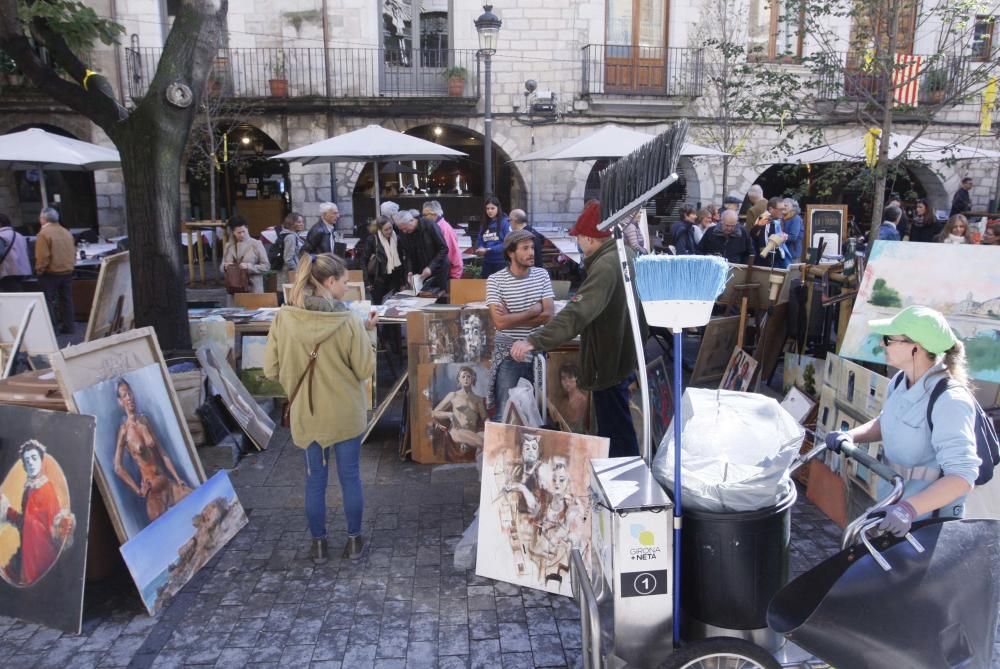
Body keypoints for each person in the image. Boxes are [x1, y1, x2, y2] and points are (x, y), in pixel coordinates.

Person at [825, 305, 980, 535]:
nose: (881, 344)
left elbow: (963, 477)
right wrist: (850, 436)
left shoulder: (950, 401)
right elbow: (887, 422)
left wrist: (909, 509)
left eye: (888, 339)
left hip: (926, 525)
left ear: (915, 348)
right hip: (895, 508)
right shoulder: (900, 381)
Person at [264, 253, 377, 563]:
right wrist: (368, 334)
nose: (346, 287)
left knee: (315, 480)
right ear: (329, 282)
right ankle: (353, 541)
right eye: (344, 282)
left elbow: (271, 370)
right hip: (345, 413)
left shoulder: (284, 319)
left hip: (307, 413)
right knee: (350, 477)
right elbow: (365, 369)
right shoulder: (349, 321)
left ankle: (318, 545)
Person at [511, 200, 646, 458]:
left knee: (616, 427)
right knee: (615, 423)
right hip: (621, 352)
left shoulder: (607, 265)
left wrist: (534, 340)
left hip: (611, 357)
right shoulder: (623, 253)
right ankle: (621, 474)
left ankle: (624, 480)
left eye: (579, 238)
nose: (578, 244)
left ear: (589, 238)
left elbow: (578, 312)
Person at [486, 229, 554, 417]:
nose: (531, 252)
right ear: (510, 252)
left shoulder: (541, 275)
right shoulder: (496, 280)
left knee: (539, 411)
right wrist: (533, 311)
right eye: (525, 248)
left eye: (532, 247)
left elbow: (548, 314)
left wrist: (512, 317)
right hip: (509, 352)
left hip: (536, 348)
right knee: (504, 411)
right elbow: (499, 323)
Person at [113, 379, 193, 522]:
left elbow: (162, 452)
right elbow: (118, 467)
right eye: (125, 395)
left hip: (167, 483)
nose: (129, 398)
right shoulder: (124, 432)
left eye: (130, 393)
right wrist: (138, 490)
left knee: (196, 499)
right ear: (120, 401)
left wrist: (177, 478)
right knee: (164, 530)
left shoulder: (144, 420)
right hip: (154, 492)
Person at [0, 440, 75, 586]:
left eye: (34, 458)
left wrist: (62, 526)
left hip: (40, 554)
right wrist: (7, 510)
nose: (31, 463)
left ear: (41, 460)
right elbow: (25, 523)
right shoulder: (29, 488)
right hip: (27, 552)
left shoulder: (47, 489)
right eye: (27, 460)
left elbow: (49, 528)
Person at [431, 366, 488, 460]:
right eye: (463, 376)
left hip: (473, 431)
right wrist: (449, 414)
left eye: (469, 376)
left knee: (489, 439)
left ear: (473, 379)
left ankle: (479, 464)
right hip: (458, 431)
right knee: (481, 442)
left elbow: (485, 417)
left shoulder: (478, 399)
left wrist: (492, 427)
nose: (466, 379)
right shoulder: (453, 395)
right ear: (459, 379)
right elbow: (434, 412)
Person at [34, 207, 76, 334]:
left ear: (43, 219)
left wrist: (39, 270)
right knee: (67, 300)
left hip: (51, 273)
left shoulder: (43, 234)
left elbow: (43, 256)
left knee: (49, 301)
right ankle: (69, 326)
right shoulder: (66, 232)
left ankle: (53, 328)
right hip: (67, 271)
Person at [394, 209, 449, 293]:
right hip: (420, 272)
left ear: (412, 220)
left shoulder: (430, 225)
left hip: (438, 269)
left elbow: (443, 248)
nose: (404, 232)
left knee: (437, 296)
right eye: (402, 230)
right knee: (421, 297)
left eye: (405, 228)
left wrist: (431, 267)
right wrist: (409, 271)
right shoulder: (404, 233)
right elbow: (407, 254)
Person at [221, 216, 269, 298]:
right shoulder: (228, 246)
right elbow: (222, 267)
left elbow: (266, 266)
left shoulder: (256, 244)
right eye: (238, 232)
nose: (242, 234)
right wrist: (226, 267)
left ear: (247, 229)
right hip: (234, 288)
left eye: (244, 231)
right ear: (233, 232)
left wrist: (249, 267)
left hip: (253, 287)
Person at [364, 215, 405, 304]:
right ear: (379, 230)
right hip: (378, 279)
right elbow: (363, 261)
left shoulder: (396, 238)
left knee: (394, 304)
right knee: (378, 305)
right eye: (386, 230)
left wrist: (403, 281)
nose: (389, 231)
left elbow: (401, 259)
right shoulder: (372, 240)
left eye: (390, 228)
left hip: (394, 278)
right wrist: (367, 282)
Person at [422, 200, 463, 281]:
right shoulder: (433, 227)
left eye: (425, 215)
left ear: (434, 214)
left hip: (446, 274)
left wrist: (454, 277)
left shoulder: (445, 229)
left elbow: (454, 254)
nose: (422, 218)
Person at [475, 196, 511, 278]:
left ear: (498, 208)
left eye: (492, 208)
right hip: (487, 262)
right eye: (487, 208)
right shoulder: (484, 224)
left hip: (501, 262)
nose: (489, 211)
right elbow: (479, 240)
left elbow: (508, 243)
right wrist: (480, 248)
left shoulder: (505, 222)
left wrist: (489, 249)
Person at [0, 213, 31, 292]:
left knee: (10, 297)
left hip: (7, 272)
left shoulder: (2, 236)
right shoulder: (19, 235)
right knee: (18, 295)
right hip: (22, 271)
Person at [556, 363, 589, 433]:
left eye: (570, 377)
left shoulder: (583, 401)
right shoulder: (563, 402)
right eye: (563, 378)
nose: (567, 382)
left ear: (576, 378)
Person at [276, 211, 305, 289]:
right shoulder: (291, 237)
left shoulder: (294, 236)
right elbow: (288, 259)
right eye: (299, 222)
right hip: (289, 275)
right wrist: (297, 270)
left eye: (302, 222)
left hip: (289, 273)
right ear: (291, 223)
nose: (302, 224)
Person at [781, 198, 804, 262]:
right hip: (784, 254)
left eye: (786, 205)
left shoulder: (795, 218)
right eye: (783, 205)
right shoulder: (782, 218)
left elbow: (793, 236)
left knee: (793, 272)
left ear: (793, 207)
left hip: (793, 255)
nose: (784, 207)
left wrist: (779, 238)